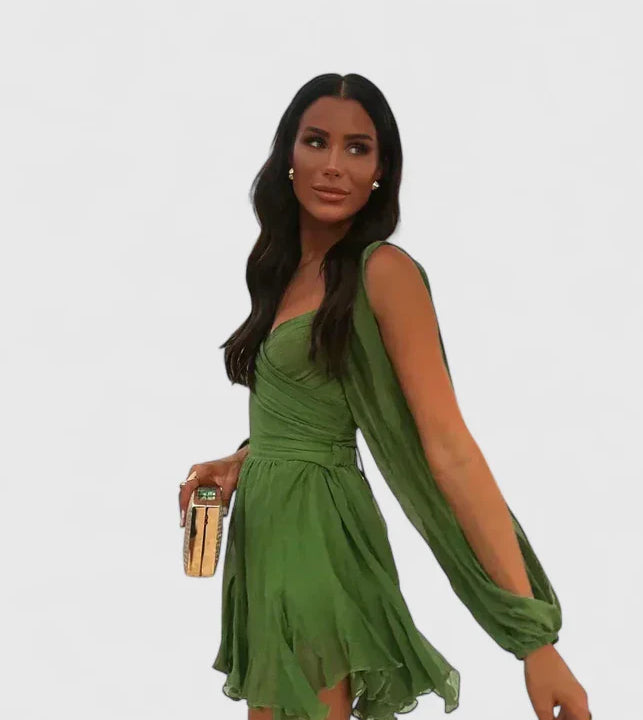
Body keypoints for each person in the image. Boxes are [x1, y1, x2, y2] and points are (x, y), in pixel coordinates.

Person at [178, 73, 591, 720]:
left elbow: (449, 448)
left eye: (358, 148)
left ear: (381, 171)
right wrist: (241, 460)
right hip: (264, 532)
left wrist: (535, 641)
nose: (334, 165)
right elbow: (316, 406)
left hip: (318, 535)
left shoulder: (385, 272)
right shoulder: (284, 270)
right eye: (317, 141)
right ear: (288, 156)